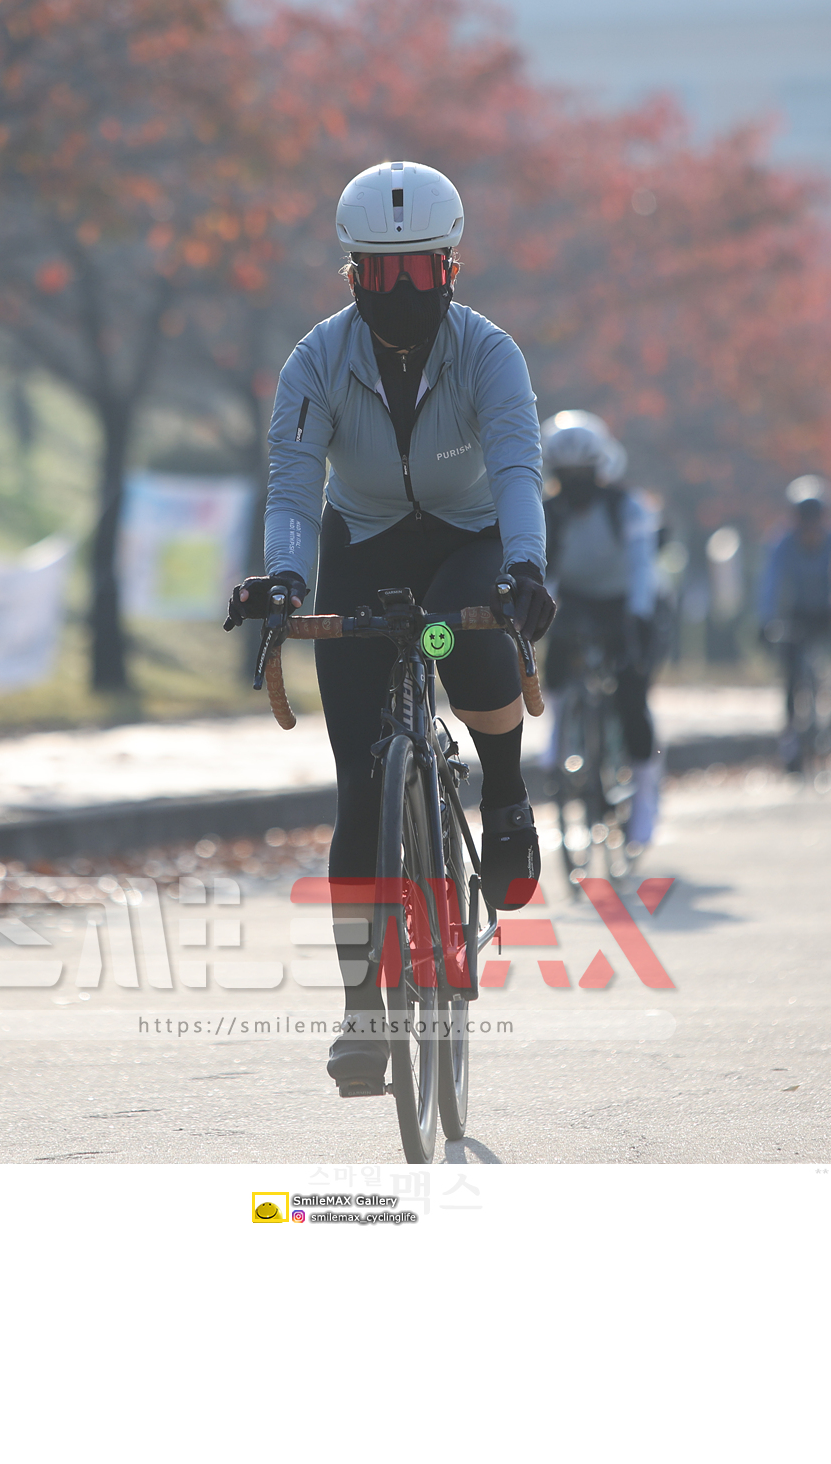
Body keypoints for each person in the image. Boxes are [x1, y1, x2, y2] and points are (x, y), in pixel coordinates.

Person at [226, 161, 554, 1095]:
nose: (399, 292)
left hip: (467, 542)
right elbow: (295, 488)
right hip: (362, 546)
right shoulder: (315, 361)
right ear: (352, 275)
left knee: (467, 639)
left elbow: (518, 470)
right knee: (360, 792)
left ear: (451, 270)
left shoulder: (490, 353)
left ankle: (503, 789)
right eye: (379, 273)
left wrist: (526, 568)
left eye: (417, 273)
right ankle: (361, 1011)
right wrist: (286, 581)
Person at [538, 410, 663, 850]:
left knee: (630, 694)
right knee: (556, 652)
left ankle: (644, 794)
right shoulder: (549, 512)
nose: (574, 483)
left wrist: (638, 618)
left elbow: (642, 566)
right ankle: (558, 729)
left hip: (626, 601)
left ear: (600, 469)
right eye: (565, 474)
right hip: (576, 598)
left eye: (582, 474)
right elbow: (546, 569)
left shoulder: (626, 506)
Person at [758, 475, 831, 772]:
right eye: (804, 518)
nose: (809, 525)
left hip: (830, 612)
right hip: (796, 614)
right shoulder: (782, 544)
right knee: (792, 676)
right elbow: (770, 584)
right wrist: (766, 620)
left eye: (815, 517)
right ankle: (791, 738)